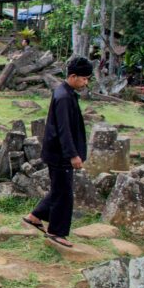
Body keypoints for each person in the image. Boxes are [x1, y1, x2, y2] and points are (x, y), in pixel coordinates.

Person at [22, 56, 92, 247]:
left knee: (59, 190)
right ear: (74, 76)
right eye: (84, 79)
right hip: (60, 154)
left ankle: (35, 217)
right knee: (64, 194)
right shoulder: (63, 97)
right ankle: (56, 232)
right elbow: (64, 130)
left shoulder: (66, 93)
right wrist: (73, 155)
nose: (86, 83)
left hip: (58, 152)